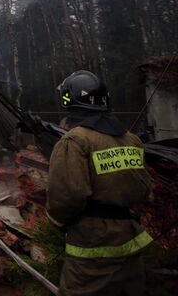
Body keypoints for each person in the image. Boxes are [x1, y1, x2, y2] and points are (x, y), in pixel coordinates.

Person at [47, 70, 153, 295]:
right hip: (130, 240)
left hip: (92, 247)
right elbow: (144, 188)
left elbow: (66, 197)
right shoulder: (131, 139)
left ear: (70, 100)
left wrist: (58, 223)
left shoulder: (75, 141)